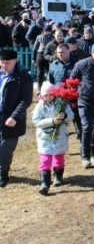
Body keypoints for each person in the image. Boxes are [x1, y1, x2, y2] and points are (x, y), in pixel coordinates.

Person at [32, 82, 74, 195]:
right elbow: (36, 121)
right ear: (42, 95)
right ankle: (45, 183)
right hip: (45, 137)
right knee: (45, 159)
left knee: (58, 157)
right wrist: (51, 121)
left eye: (51, 94)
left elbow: (71, 116)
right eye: (46, 95)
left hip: (60, 135)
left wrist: (64, 117)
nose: (49, 97)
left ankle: (58, 176)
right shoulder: (39, 106)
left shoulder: (62, 103)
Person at [0, 49, 33, 188]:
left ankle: (3, 174)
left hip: (12, 118)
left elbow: (26, 100)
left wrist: (14, 116)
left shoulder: (23, 76)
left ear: (15, 61)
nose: (4, 66)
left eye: (7, 63)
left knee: (5, 148)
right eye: (2, 63)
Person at [49, 43, 81, 140]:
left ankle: (82, 140)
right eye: (58, 52)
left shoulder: (77, 64)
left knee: (77, 119)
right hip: (59, 98)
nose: (60, 54)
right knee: (59, 118)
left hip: (74, 97)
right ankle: (57, 138)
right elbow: (50, 81)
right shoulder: (54, 65)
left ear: (69, 51)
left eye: (63, 52)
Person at [32, 25, 54, 94]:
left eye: (49, 31)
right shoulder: (39, 37)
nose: (47, 33)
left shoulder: (53, 38)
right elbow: (35, 48)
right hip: (40, 55)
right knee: (39, 73)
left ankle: (50, 88)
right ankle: (39, 88)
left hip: (48, 56)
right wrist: (33, 58)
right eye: (46, 31)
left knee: (49, 73)